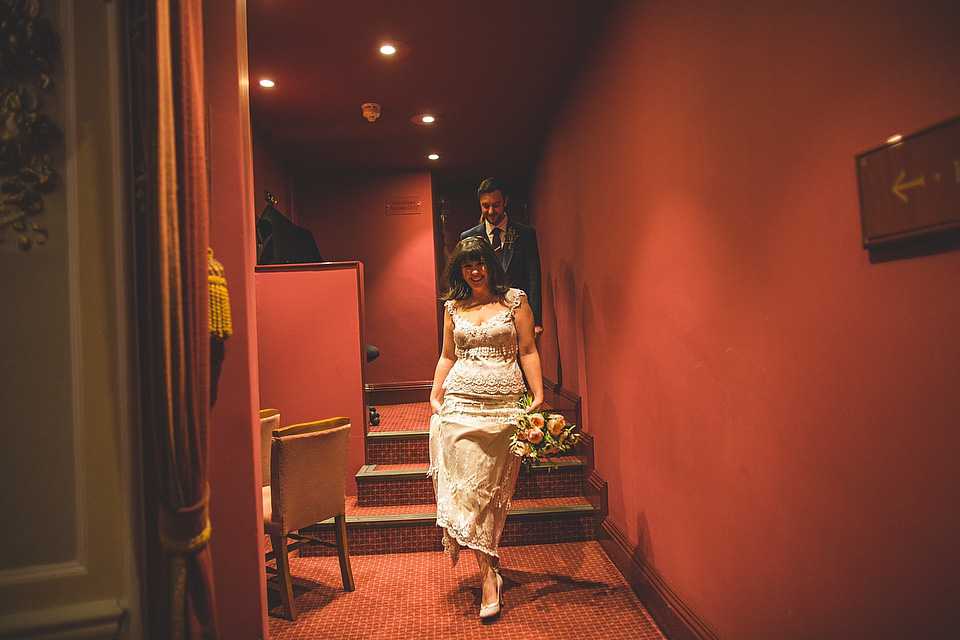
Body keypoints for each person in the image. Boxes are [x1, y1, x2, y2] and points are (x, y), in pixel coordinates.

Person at [428, 236, 544, 621]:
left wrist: (538, 396)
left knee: (493, 491)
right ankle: (487, 574)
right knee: (469, 492)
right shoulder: (453, 307)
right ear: (460, 271)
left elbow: (527, 350)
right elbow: (447, 356)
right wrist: (435, 393)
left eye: (480, 263)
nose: (475, 271)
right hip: (460, 405)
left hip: (504, 410)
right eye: (467, 266)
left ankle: (488, 562)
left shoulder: (515, 301)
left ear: (491, 265)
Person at [461, 177, 543, 336]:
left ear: (505, 201)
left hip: (517, 313)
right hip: (482, 316)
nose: (491, 211)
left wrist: (536, 321)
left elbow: (533, 279)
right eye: (485, 206)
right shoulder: (468, 237)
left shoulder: (525, 234)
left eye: (496, 205)